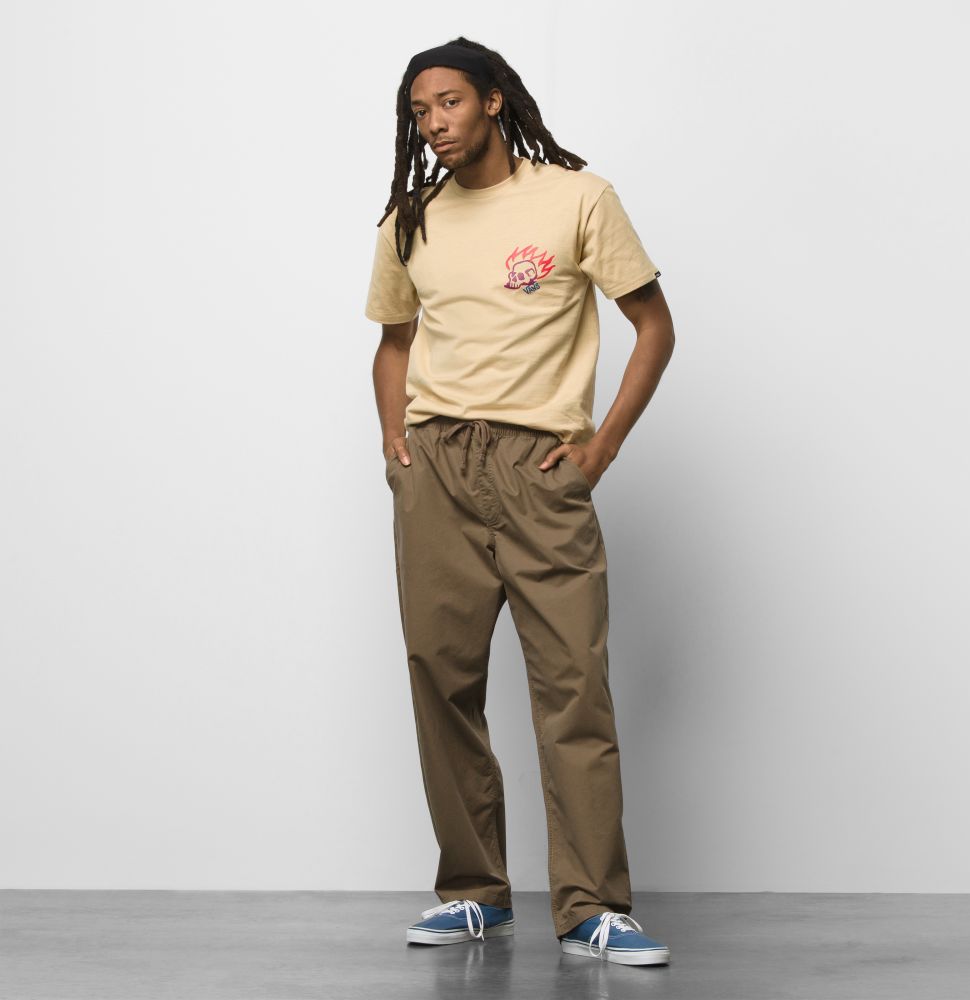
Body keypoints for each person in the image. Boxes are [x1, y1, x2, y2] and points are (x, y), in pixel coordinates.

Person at [365, 38, 675, 967]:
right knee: (441, 679)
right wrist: (396, 447)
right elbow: (393, 342)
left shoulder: (578, 198)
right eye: (420, 112)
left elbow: (653, 326)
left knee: (572, 684)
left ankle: (592, 908)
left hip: (540, 467)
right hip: (438, 468)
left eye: (450, 103)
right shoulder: (411, 219)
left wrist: (600, 448)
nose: (434, 124)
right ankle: (472, 892)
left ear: (494, 101)